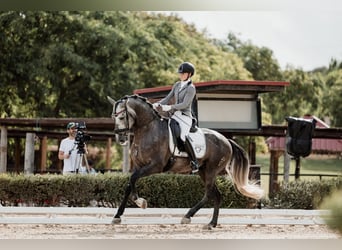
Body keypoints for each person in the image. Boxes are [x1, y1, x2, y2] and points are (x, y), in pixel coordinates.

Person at [153, 62, 199, 173]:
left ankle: (194, 162)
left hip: (185, 116)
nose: (181, 75)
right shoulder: (177, 85)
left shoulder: (191, 88)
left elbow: (185, 104)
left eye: (183, 73)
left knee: (182, 136)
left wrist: (169, 107)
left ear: (189, 74)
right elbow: (168, 97)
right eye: (180, 73)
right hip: (175, 115)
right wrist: (157, 104)